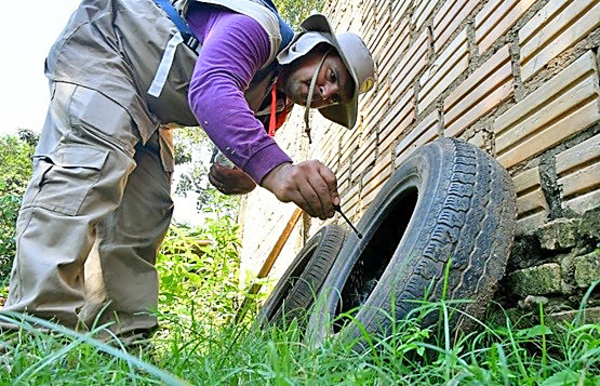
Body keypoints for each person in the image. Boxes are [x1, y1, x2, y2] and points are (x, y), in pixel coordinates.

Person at [0, 0, 375, 338]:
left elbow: (231, 153)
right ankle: (34, 331)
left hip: (151, 111)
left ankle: (120, 349)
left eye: (335, 98)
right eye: (332, 77)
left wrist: (239, 175)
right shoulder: (258, 27)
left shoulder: (272, 104)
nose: (326, 94)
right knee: (89, 171)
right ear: (313, 47)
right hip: (108, 49)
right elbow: (211, 87)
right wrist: (275, 170)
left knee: (144, 216)